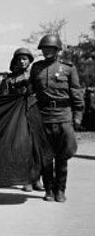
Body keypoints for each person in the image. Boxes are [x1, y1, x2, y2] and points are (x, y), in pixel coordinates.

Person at [30, 34, 84, 203]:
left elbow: (76, 94)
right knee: (46, 157)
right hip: (44, 116)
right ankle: (48, 190)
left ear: (57, 50)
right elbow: (31, 91)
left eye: (50, 49)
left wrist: (77, 117)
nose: (47, 51)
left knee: (62, 156)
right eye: (44, 49)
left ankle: (60, 190)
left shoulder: (68, 68)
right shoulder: (36, 68)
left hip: (63, 116)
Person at [0, 48, 44, 192]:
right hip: (18, 116)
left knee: (37, 147)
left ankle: (37, 179)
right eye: (19, 59)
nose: (22, 62)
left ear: (30, 60)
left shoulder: (36, 75)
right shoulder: (9, 79)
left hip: (35, 112)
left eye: (25, 59)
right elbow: (1, 97)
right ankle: (26, 179)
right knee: (23, 147)